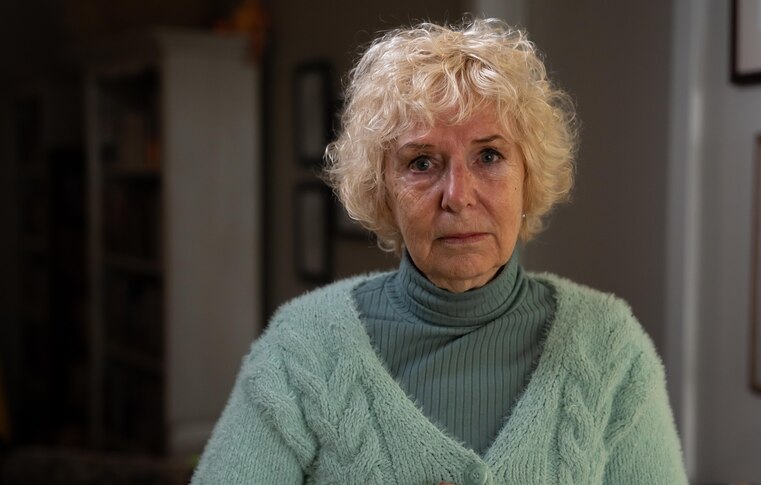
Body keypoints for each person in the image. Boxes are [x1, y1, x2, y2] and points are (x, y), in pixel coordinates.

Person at [191, 18, 687, 484]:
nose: (458, 195)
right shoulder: (301, 348)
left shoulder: (609, 347)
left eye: (489, 156)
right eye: (422, 162)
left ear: (528, 175)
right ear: (382, 187)